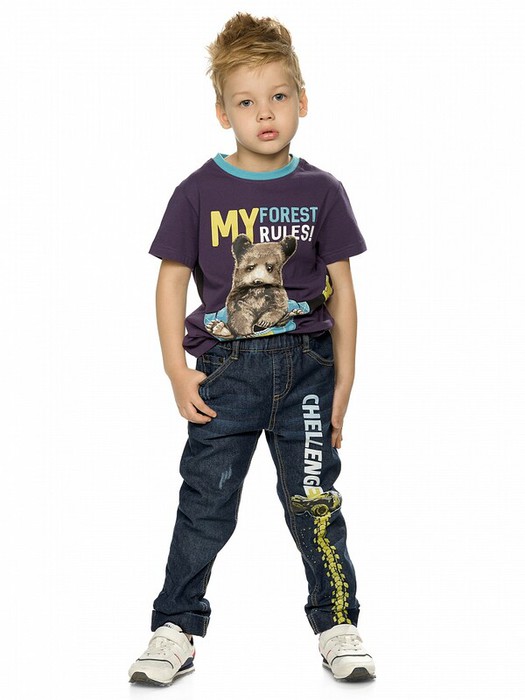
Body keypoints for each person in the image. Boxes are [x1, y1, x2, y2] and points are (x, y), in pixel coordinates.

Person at [128, 11, 376, 686]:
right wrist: (175, 369)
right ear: (222, 112)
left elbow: (343, 291)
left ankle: (337, 621)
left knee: (314, 500)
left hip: (307, 372)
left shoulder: (322, 191)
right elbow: (171, 279)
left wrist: (345, 380)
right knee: (204, 503)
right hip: (224, 374)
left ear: (302, 100)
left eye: (278, 96)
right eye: (245, 101)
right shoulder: (197, 192)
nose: (264, 113)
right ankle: (175, 627)